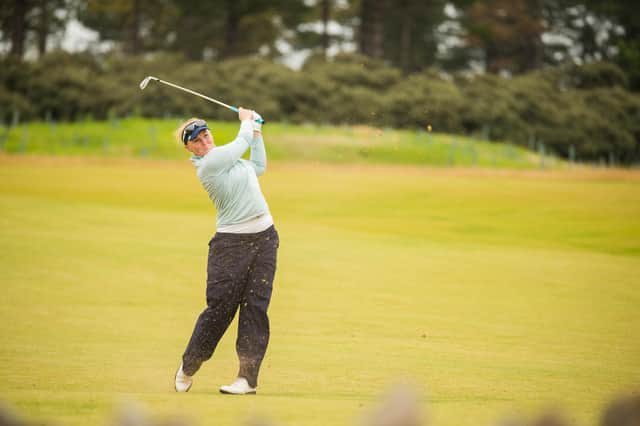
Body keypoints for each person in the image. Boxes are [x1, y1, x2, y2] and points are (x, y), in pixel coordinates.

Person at [173, 107, 279, 395]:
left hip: (265, 239)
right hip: (230, 246)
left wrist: (256, 132)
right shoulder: (209, 165)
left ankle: (247, 379)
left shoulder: (236, 164)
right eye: (196, 140)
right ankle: (189, 365)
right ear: (190, 149)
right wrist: (247, 122)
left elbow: (258, 164)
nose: (204, 141)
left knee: (256, 308)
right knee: (220, 310)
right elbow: (240, 144)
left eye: (205, 135)